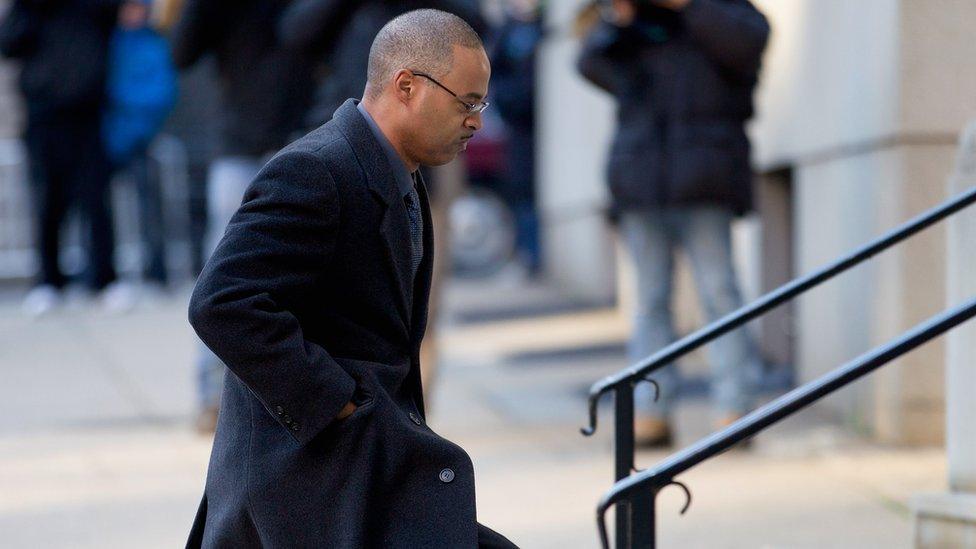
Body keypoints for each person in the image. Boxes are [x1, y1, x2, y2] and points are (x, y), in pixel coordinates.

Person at [185, 9, 517, 548]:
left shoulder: (398, 172)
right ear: (405, 85)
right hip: (299, 488)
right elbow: (222, 303)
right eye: (467, 103)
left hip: (362, 473)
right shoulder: (316, 170)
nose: (477, 121)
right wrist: (334, 400)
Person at [577, 0, 770, 446]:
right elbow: (590, 64)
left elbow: (749, 45)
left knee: (719, 291)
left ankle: (736, 406)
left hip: (705, 175)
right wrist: (617, 20)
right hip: (641, 177)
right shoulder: (636, 23)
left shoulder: (726, 13)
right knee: (649, 299)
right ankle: (652, 410)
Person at [169, 0, 315, 432]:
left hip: (304, 141)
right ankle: (213, 395)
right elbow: (181, 52)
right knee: (222, 277)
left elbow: (306, 33)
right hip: (238, 146)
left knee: (305, 281)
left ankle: (292, 394)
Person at [0, 0, 122, 315]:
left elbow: (118, 19)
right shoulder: (30, 8)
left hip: (88, 112)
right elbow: (8, 43)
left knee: (95, 198)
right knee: (47, 199)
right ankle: (48, 282)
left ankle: (105, 280)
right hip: (44, 114)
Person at [489, 0, 544, 277]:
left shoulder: (544, 26)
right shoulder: (507, 31)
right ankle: (528, 255)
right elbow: (495, 75)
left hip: (543, 126)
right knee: (523, 192)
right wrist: (511, 105)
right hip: (520, 128)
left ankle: (536, 255)